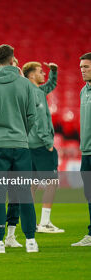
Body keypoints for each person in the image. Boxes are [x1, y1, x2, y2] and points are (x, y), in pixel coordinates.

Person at [0, 44, 38, 253]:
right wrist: (21, 134)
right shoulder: (26, 85)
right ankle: (31, 241)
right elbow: (32, 117)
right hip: (20, 146)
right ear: (13, 60)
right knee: (24, 194)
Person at [22, 61, 64, 233]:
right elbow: (39, 121)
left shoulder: (31, 91)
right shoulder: (36, 94)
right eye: (41, 71)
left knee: (32, 183)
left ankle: (32, 223)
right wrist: (48, 143)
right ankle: (45, 222)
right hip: (40, 144)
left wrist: (53, 71)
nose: (43, 74)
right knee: (53, 181)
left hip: (28, 145)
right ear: (31, 75)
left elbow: (51, 85)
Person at [72, 52, 91, 246]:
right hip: (86, 151)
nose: (82, 71)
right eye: (81, 68)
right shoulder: (83, 91)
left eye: (86, 67)